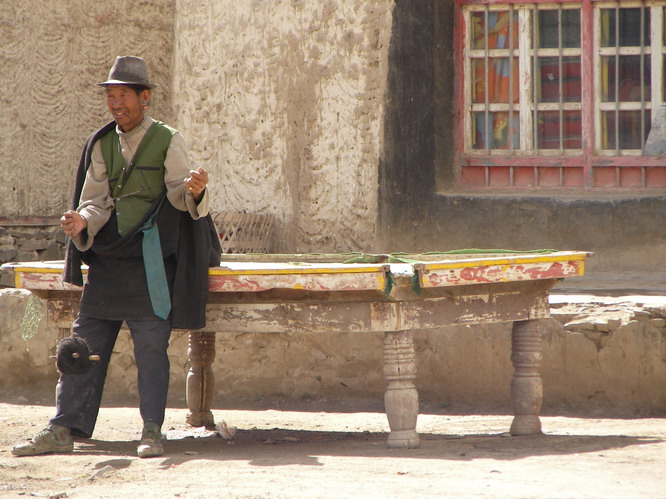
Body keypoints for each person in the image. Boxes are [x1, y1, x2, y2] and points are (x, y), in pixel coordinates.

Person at [12, 56, 221, 458]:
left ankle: (152, 431)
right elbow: (96, 201)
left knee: (150, 351)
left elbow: (180, 193)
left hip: (153, 263)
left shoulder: (167, 138)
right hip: (109, 262)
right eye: (111, 95)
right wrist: (81, 221)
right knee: (81, 346)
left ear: (145, 98)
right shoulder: (102, 142)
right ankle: (63, 427)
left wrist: (195, 190)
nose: (116, 103)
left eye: (124, 94)